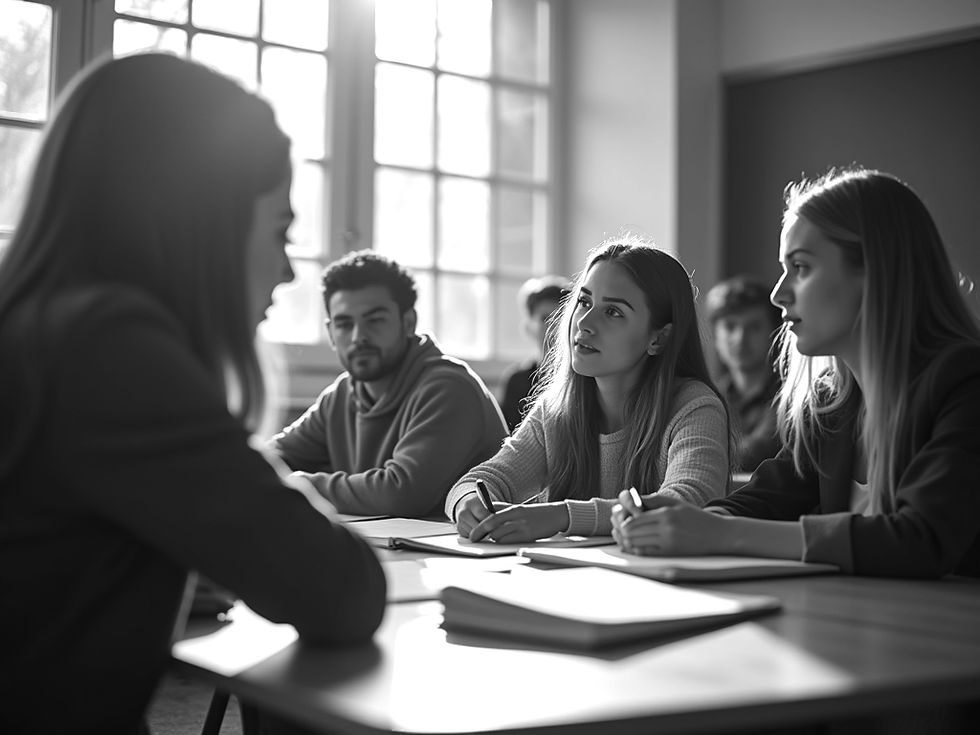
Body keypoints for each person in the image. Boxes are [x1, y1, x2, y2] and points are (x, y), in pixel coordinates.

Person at [0, 53, 387, 735]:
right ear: (197, 220)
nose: (288, 268)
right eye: (278, 231)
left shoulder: (36, 325)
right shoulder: (108, 348)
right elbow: (343, 590)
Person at [612, 167, 980, 579]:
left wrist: (722, 532)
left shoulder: (965, 383)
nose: (778, 294)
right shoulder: (831, 403)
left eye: (801, 268)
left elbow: (920, 540)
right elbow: (765, 500)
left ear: (876, 272)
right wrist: (684, 517)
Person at [447, 233, 731, 543]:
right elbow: (483, 480)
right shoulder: (556, 410)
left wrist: (562, 515)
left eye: (613, 312)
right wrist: (468, 502)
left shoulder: (694, 406)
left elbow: (689, 501)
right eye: (584, 301)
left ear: (658, 338)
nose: (585, 322)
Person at [269, 250, 508, 518]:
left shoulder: (449, 388)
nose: (359, 337)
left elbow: (400, 494)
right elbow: (271, 458)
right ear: (331, 334)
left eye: (375, 321)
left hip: (465, 556)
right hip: (395, 552)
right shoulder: (341, 394)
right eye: (344, 324)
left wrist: (298, 484)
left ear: (408, 323)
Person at [704, 275, 783, 473]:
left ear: (774, 332)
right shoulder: (709, 396)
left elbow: (759, 451)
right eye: (730, 327)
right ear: (715, 336)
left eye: (754, 327)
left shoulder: (791, 394)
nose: (740, 338)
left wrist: (698, 456)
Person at [498, 275, 568, 431]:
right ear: (528, 326)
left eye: (560, 318)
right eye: (545, 318)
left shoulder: (583, 378)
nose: (553, 327)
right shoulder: (516, 381)